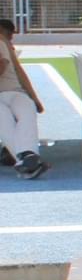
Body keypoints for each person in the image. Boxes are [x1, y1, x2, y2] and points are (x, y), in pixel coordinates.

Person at [0, 17, 49, 178]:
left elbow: (16, 70)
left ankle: (26, 159)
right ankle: (28, 159)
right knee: (4, 120)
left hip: (15, 92)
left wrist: (33, 97)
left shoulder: (3, 44)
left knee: (27, 110)